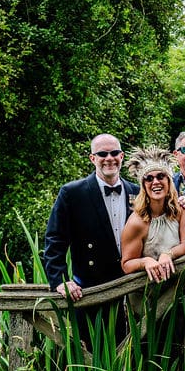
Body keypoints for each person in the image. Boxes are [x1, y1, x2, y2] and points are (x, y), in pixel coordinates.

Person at [43, 133, 138, 338]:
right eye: (102, 153)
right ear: (92, 158)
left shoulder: (138, 193)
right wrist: (60, 280)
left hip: (132, 290)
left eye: (114, 153)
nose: (109, 158)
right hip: (90, 292)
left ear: (122, 156)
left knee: (131, 360)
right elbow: (55, 239)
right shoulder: (72, 192)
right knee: (91, 361)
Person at [121, 146, 185, 283]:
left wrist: (168, 254)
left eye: (160, 176)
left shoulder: (181, 210)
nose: (156, 182)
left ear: (169, 181)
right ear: (143, 185)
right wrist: (145, 261)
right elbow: (126, 264)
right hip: (146, 291)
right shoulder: (137, 222)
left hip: (177, 289)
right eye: (149, 178)